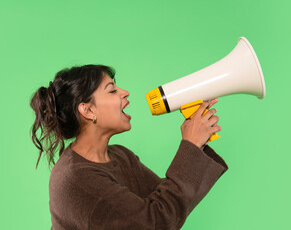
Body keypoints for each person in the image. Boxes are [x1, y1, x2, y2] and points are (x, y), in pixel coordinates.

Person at [30, 64, 227, 230]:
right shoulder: (76, 179)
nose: (125, 93)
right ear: (88, 110)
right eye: (112, 90)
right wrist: (190, 146)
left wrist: (196, 144)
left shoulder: (120, 156)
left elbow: (169, 203)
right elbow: (156, 222)